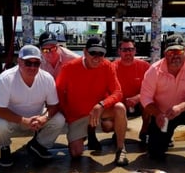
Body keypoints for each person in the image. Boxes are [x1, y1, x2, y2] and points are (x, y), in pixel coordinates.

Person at [140, 34, 185, 169]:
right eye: (171, 52)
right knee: (155, 154)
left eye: (178, 51)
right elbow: (145, 98)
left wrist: (179, 108)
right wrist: (157, 114)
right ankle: (166, 137)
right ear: (165, 53)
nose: (175, 56)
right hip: (163, 115)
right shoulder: (153, 70)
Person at [55, 37, 129, 166]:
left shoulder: (107, 66)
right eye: (93, 52)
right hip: (77, 116)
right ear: (84, 52)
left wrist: (102, 105)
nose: (97, 57)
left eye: (101, 53)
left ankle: (120, 149)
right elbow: (58, 93)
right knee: (75, 153)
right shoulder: (69, 68)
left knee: (120, 108)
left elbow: (118, 93)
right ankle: (89, 131)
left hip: (97, 112)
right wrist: (67, 114)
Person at [0, 44, 65, 167]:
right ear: (19, 62)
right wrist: (23, 120)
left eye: (36, 63)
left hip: (38, 119)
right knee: (0, 124)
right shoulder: (5, 79)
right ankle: (4, 148)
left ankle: (38, 145)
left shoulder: (47, 78)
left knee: (59, 119)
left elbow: (54, 106)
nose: (32, 67)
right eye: (28, 63)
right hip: (13, 119)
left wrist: (44, 118)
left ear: (40, 63)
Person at [87, 38, 151, 149]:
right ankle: (111, 133)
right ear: (119, 52)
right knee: (107, 126)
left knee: (150, 104)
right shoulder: (112, 67)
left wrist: (137, 98)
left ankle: (145, 132)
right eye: (125, 50)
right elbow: (105, 92)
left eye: (131, 49)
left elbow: (152, 89)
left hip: (138, 104)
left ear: (135, 51)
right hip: (118, 105)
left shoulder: (145, 66)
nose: (128, 53)